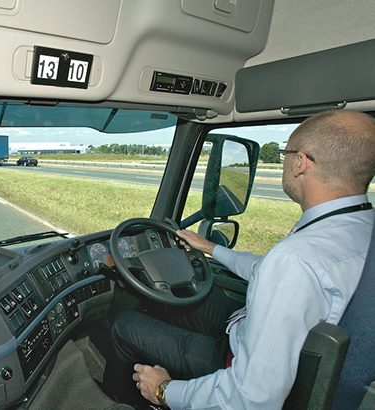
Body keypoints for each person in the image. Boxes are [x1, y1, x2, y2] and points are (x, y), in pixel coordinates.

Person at [103, 109, 375, 409]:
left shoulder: (296, 260)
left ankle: (112, 401)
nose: (285, 160)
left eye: (286, 152)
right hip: (249, 334)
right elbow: (268, 270)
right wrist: (211, 248)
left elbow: (250, 398)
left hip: (232, 363)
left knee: (125, 325)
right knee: (177, 303)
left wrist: (165, 390)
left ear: (301, 162)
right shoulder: (356, 229)